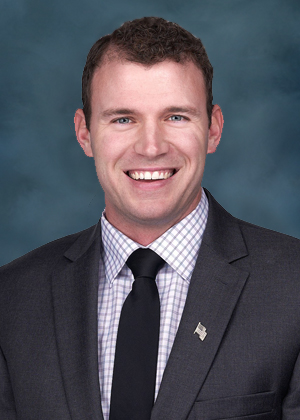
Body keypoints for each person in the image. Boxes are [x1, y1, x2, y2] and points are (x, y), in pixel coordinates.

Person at [0, 16, 300, 420]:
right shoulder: (11, 300)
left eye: (176, 116)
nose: (151, 146)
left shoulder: (292, 288)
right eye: (123, 118)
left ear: (213, 129)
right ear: (85, 132)